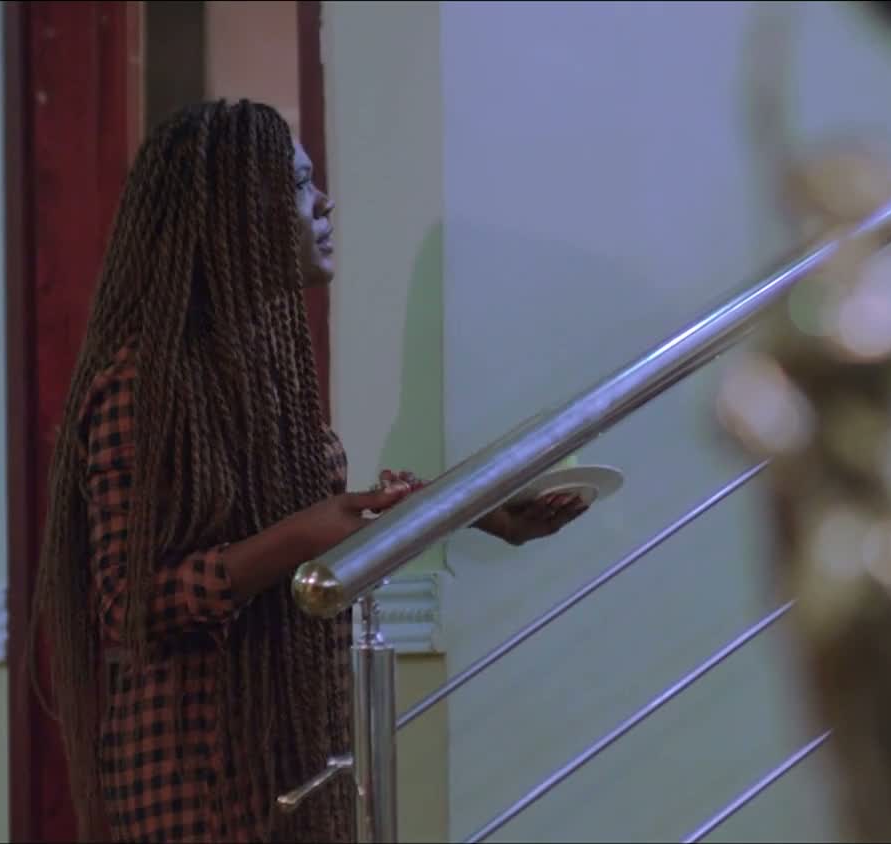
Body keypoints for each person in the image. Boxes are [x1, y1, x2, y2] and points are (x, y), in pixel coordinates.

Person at [32, 100, 587, 843]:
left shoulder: (269, 370)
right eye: (298, 185)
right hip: (195, 778)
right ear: (233, 216)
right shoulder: (141, 386)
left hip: (286, 756)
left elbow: (328, 522)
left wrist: (480, 512)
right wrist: (300, 537)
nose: (324, 203)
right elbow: (128, 605)